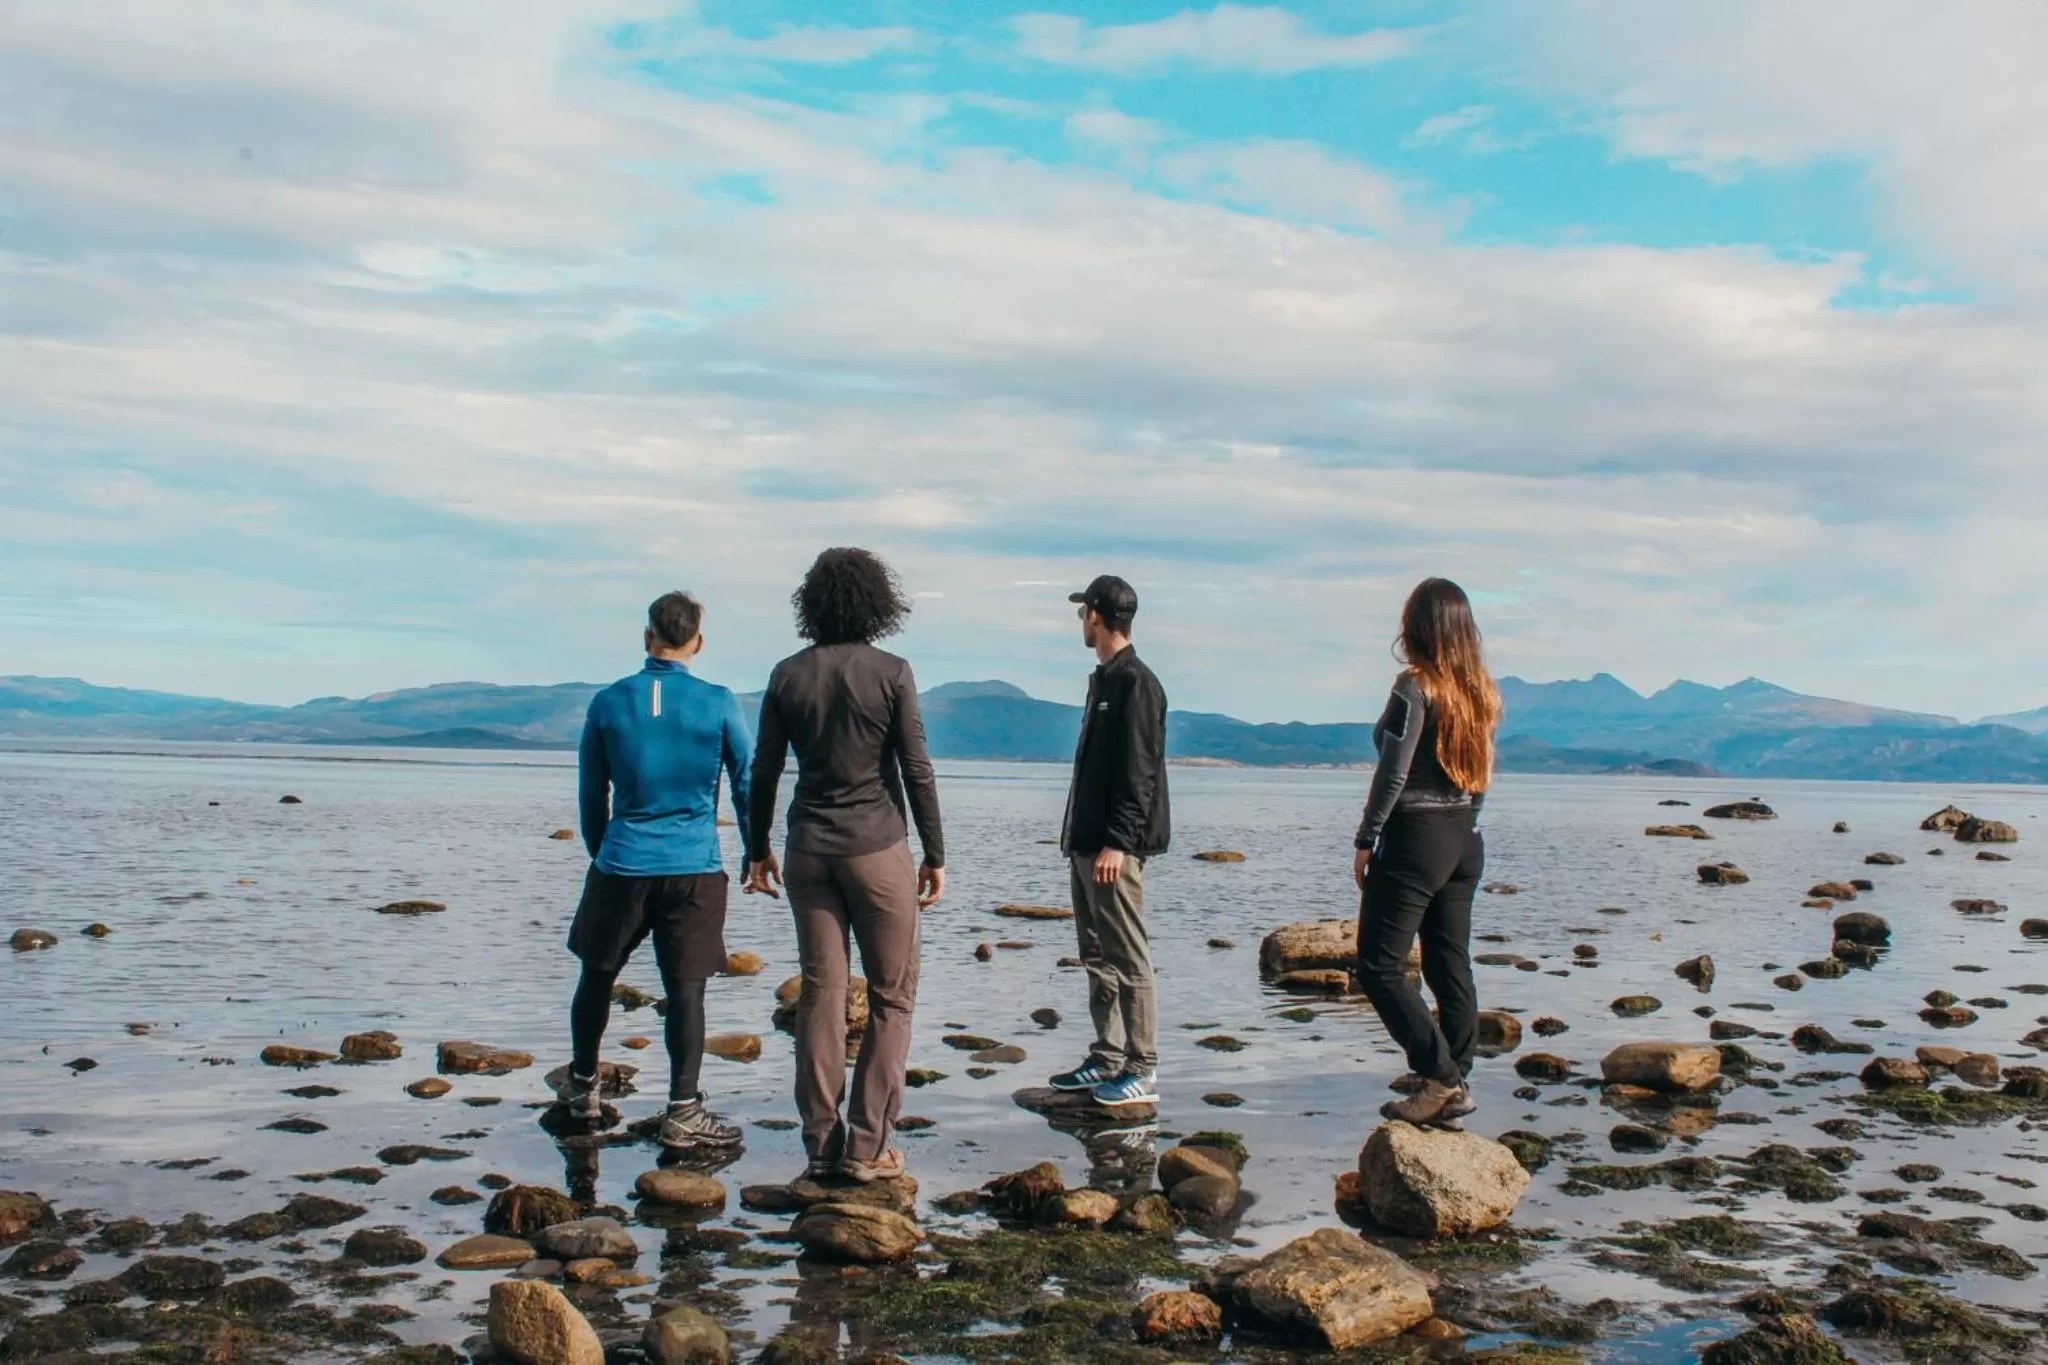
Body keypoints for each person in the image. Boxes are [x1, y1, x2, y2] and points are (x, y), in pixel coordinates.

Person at [744, 548, 945, 1184]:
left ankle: (819, 1145)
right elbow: (916, 768)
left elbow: (765, 770)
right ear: (877, 602)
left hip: (808, 850)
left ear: (814, 602)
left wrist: (756, 849)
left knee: (822, 997)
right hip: (878, 848)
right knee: (891, 998)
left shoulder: (787, 674)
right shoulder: (892, 671)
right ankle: (868, 1148)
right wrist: (935, 852)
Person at [559, 591, 753, 1150]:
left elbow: (591, 789)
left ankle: (582, 1085)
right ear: (698, 642)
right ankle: (683, 1109)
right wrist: (755, 848)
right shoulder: (718, 701)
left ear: (647, 637)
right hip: (693, 867)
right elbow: (744, 781)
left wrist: (602, 850)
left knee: (597, 974)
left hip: (622, 860)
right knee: (686, 990)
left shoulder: (608, 701)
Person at [1352, 577, 1501, 1129]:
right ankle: (1455, 1078)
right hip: (1465, 836)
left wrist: (1367, 837)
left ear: (1416, 628)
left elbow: (1393, 771)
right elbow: (1481, 776)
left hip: (1417, 836)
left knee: (1378, 965)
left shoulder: (1415, 687)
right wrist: (1467, 823)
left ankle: (1439, 1078)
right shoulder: (1480, 692)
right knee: (1448, 962)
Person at [1048, 574, 1170, 1109]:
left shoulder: (1138, 684)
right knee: (1096, 953)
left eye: (1082, 612)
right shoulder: (1104, 679)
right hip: (1086, 841)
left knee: (1128, 955)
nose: (1080, 620)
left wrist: (1119, 844)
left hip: (1111, 848)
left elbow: (1139, 773)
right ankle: (1108, 1056)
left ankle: (1141, 1066)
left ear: (1096, 615)